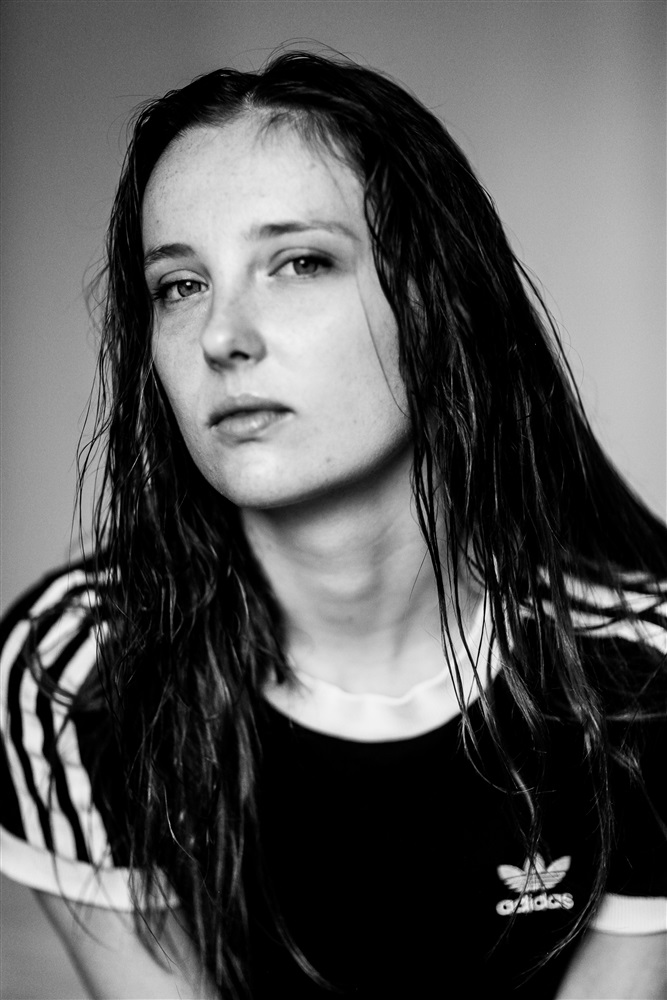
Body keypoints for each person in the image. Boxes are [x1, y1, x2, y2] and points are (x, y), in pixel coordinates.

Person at [1, 50, 666, 1000]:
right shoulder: (72, 674)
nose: (222, 336)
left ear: (437, 302)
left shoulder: (643, 665)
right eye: (179, 285)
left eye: (300, 262)